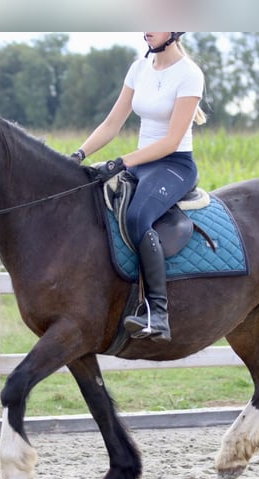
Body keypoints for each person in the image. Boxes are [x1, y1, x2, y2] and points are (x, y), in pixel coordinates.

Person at [71, 32, 207, 343]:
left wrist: (121, 162)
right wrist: (78, 155)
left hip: (174, 165)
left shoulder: (189, 74)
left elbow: (172, 141)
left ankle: (157, 313)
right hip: (142, 164)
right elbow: (111, 125)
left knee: (137, 218)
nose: (147, 29)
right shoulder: (139, 69)